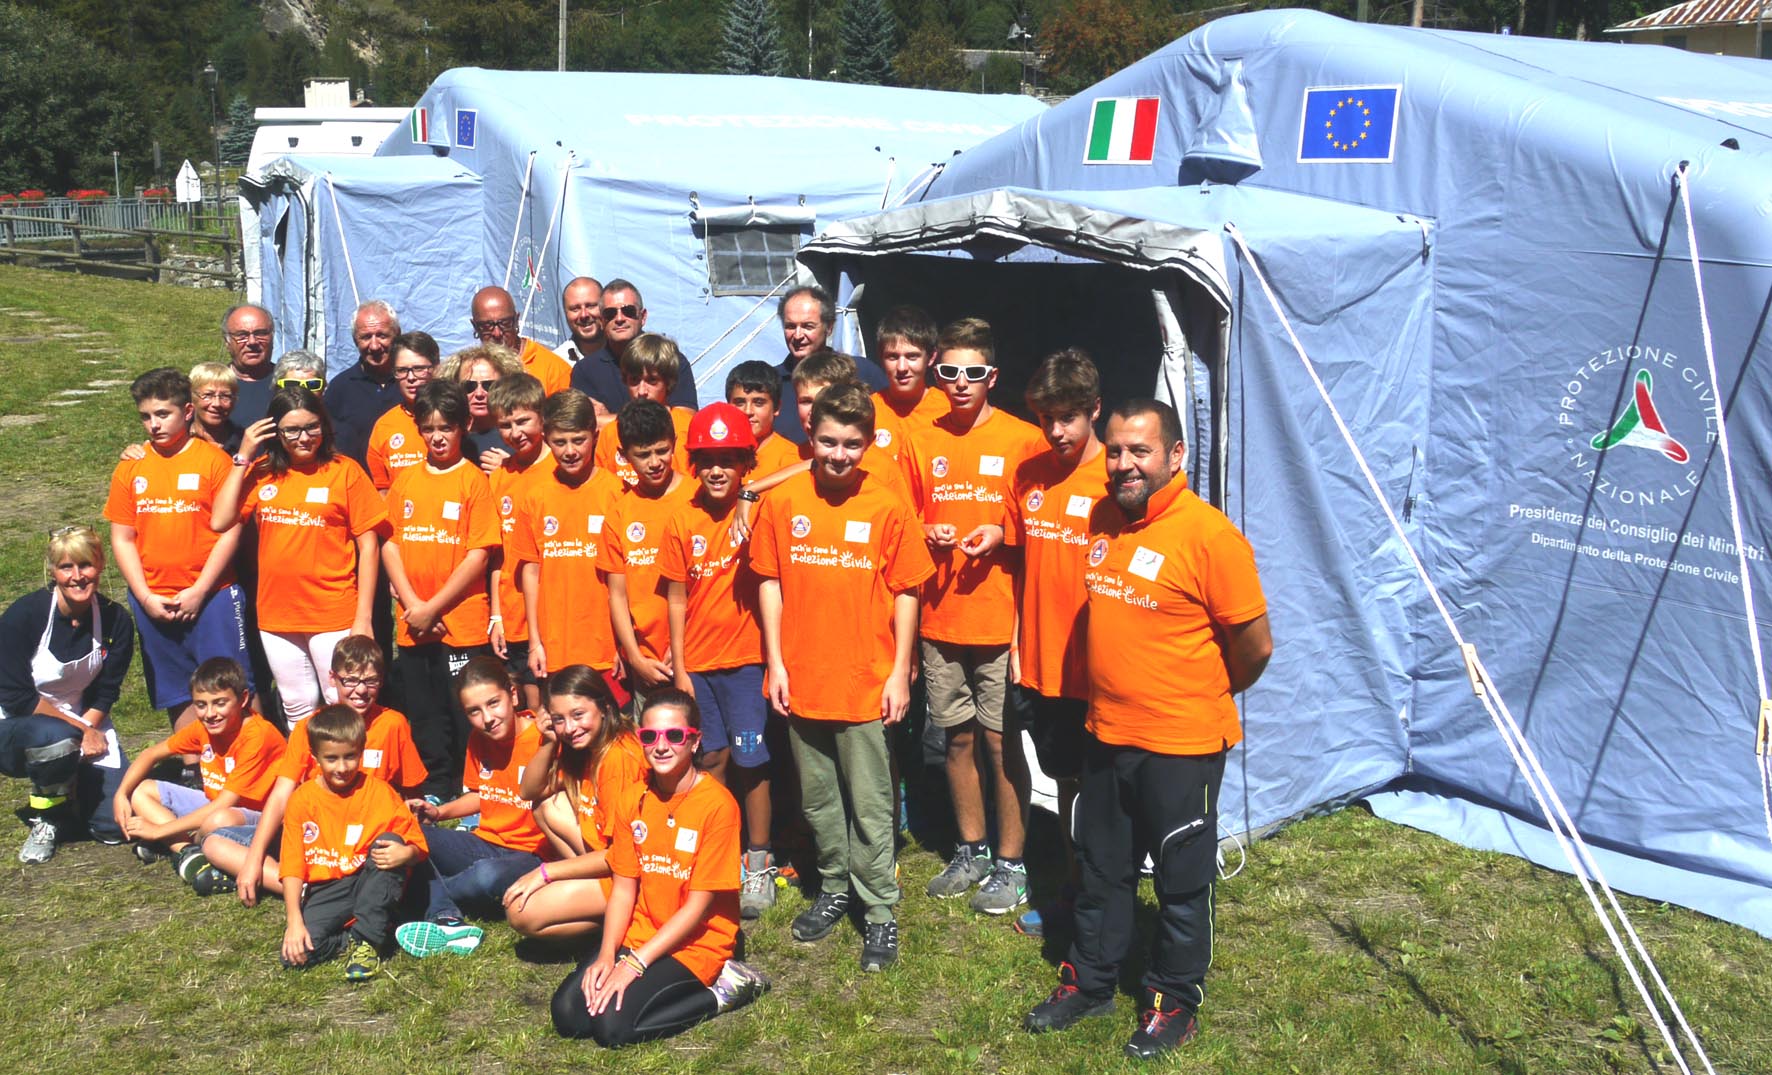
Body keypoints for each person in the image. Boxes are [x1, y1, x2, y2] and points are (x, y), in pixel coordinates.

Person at [1023, 399, 1272, 1059]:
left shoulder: (1210, 535)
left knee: (1181, 884)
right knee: (1103, 870)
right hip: (1106, 734)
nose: (1126, 463)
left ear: (1176, 456)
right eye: (1116, 450)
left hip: (1181, 746)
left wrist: (1195, 694)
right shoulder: (1104, 518)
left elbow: (1255, 647)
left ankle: (1172, 1001)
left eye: (1141, 450)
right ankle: (1091, 981)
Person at [751, 384, 934, 971]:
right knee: (821, 800)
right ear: (811, 437)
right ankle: (834, 887)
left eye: (851, 444)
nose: (838, 454)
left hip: (866, 681)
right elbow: (769, 582)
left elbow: (907, 590)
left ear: (867, 444)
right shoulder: (783, 502)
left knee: (873, 804)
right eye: (828, 441)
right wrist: (776, 661)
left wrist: (901, 672)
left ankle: (879, 911)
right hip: (803, 677)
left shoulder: (885, 504)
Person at [902, 318, 1046, 916]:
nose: (960, 384)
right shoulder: (919, 435)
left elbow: (1041, 528)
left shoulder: (1023, 438)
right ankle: (972, 849)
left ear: (993, 377)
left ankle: (1012, 863)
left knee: (998, 740)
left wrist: (1002, 532)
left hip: (999, 621)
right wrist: (925, 531)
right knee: (954, 738)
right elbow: (899, 516)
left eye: (974, 373)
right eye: (949, 373)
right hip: (940, 617)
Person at [551, 688, 766, 1045]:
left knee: (613, 1029)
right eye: (650, 736)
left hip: (696, 941)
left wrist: (634, 965)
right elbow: (623, 888)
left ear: (694, 742)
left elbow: (698, 908)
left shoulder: (718, 806)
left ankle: (723, 992)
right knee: (569, 1014)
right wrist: (607, 955)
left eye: (675, 735)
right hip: (642, 933)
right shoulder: (632, 797)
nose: (661, 746)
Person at [200, 635, 426, 904]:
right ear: (332, 678)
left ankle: (305, 886)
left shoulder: (392, 723)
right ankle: (307, 890)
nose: (360, 691)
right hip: (313, 834)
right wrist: (253, 860)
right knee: (215, 841)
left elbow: (412, 792)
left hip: (363, 836)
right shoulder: (310, 727)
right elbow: (281, 795)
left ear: (381, 679)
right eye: (350, 680)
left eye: (370, 681)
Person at [659, 402, 776, 919]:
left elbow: (806, 465)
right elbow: (677, 598)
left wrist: (751, 496)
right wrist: (681, 668)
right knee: (711, 761)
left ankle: (760, 860)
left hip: (748, 661)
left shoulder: (759, 507)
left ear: (746, 461)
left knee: (753, 761)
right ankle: (718, 856)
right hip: (700, 664)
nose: (717, 469)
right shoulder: (682, 517)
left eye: (730, 458)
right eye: (707, 458)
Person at [1006, 349, 1107, 938]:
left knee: (1106, 792)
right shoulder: (1029, 475)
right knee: (1068, 783)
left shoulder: (1117, 480)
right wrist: (1021, 641)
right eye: (1046, 418)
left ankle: (1104, 898)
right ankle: (1073, 892)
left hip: (1101, 670)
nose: (1056, 430)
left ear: (1095, 410)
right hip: (1044, 665)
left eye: (1068, 416)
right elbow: (1022, 563)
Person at [212, 386, 388, 725]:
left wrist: (363, 617)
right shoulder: (262, 471)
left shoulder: (345, 471)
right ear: (276, 432)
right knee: (296, 707)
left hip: (333, 612)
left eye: (312, 427)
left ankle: (356, 777)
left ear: (324, 426)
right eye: (291, 430)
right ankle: (308, 776)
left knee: (345, 705)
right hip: (277, 614)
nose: (303, 438)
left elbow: (368, 545)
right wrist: (243, 455)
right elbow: (220, 520)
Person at [106, 367, 250, 737]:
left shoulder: (214, 461)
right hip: (154, 599)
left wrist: (201, 589)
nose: (153, 425)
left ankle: (251, 761)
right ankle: (193, 766)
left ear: (187, 412)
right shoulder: (131, 467)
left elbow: (230, 530)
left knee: (232, 684)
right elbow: (122, 538)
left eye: (162, 414)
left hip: (213, 596)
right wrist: (144, 596)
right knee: (177, 689)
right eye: (145, 417)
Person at [382, 380, 499, 795]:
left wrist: (435, 606)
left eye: (446, 428)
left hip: (459, 622)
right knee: (425, 707)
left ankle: (472, 786)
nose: (437, 437)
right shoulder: (406, 481)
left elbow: (478, 555)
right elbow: (390, 545)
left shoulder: (472, 481)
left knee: (462, 704)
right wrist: (414, 604)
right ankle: (435, 781)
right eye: (429, 428)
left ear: (463, 427)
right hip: (413, 621)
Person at [397, 657, 548, 957]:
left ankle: (426, 900)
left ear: (513, 695)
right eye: (474, 712)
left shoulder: (543, 739)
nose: (487, 718)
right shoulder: (478, 740)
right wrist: (439, 812)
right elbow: (483, 794)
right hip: (485, 841)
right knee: (408, 830)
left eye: (494, 703)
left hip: (532, 854)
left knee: (485, 875)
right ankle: (448, 919)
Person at [0, 526, 134, 862]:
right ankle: (48, 816)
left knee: (114, 825)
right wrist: (80, 733)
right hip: (20, 723)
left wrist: (90, 729)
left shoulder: (116, 621)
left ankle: (75, 793)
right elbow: (18, 698)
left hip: (84, 718)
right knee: (55, 738)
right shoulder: (24, 616)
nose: (77, 577)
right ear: (54, 572)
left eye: (85, 565)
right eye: (66, 567)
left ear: (100, 565)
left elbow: (106, 691)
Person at [280, 702, 429, 981]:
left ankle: (367, 943)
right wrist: (294, 921)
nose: (342, 767)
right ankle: (362, 934)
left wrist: (405, 854)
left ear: (361, 752)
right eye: (332, 758)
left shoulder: (379, 793)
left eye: (350, 757)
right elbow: (291, 865)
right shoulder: (301, 800)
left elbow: (417, 844)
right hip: (327, 887)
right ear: (315, 757)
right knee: (296, 954)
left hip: (368, 877)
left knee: (388, 842)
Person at [111, 657, 284, 894]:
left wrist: (158, 831)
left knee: (218, 819)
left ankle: (178, 845)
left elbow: (226, 804)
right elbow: (150, 754)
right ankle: (190, 852)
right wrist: (121, 793)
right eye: (201, 705)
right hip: (215, 804)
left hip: (260, 817)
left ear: (243, 699)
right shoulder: (204, 728)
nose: (210, 713)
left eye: (220, 703)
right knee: (141, 791)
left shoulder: (257, 736)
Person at [504, 665, 647, 940]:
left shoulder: (618, 758)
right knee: (546, 806)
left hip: (631, 873)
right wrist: (547, 743)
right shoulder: (585, 748)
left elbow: (620, 854)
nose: (569, 728)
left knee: (520, 912)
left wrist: (547, 872)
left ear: (605, 707)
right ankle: (611, 911)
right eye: (559, 719)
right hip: (607, 859)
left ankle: (625, 917)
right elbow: (529, 791)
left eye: (578, 714)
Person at [513, 389, 624, 686]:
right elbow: (531, 572)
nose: (570, 451)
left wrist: (623, 643)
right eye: (560, 442)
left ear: (594, 436)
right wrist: (535, 642)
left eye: (578, 440)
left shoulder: (616, 493)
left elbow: (626, 578)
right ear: (547, 439)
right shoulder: (535, 497)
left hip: (606, 648)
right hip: (554, 647)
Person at [604, 399, 696, 706]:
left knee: (707, 750)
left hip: (697, 653)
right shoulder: (620, 513)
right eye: (643, 455)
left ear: (674, 444)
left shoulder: (697, 497)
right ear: (624, 456)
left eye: (661, 450)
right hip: (648, 662)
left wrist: (682, 647)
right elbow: (617, 594)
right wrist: (634, 657)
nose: (655, 462)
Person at [485, 374, 553, 714]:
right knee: (528, 706)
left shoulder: (560, 469)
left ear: (542, 417)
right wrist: (496, 615)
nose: (516, 432)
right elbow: (497, 555)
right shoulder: (499, 478)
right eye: (506, 425)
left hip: (555, 615)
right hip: (514, 614)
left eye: (523, 420)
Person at [771, 285, 887, 444]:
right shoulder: (771, 383)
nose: (797, 335)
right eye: (791, 326)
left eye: (807, 326)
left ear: (830, 327)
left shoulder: (862, 372)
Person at [569, 278, 699, 416]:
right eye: (610, 314)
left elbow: (685, 418)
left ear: (642, 317)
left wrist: (611, 419)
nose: (619, 319)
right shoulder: (585, 371)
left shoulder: (672, 360)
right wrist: (661, 414)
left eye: (628, 311)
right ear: (602, 321)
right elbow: (584, 425)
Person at [592, 334, 694, 488]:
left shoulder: (688, 429)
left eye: (652, 381)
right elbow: (602, 488)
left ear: (668, 382)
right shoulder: (611, 433)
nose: (642, 391)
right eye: (634, 380)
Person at [323, 299, 402, 468]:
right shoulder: (339, 389)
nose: (374, 346)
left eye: (382, 335)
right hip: (358, 487)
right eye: (366, 337)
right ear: (355, 340)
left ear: (397, 335)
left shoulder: (411, 383)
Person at [869, 305, 947, 462]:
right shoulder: (867, 410)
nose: (902, 367)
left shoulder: (948, 410)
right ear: (880, 357)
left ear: (931, 358)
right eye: (893, 357)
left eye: (912, 357)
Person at [365, 331, 440, 492]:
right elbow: (381, 489)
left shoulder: (454, 417)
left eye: (419, 369)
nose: (411, 378)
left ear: (436, 369)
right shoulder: (385, 426)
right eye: (402, 370)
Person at [469, 285, 573, 396]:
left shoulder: (554, 370)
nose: (497, 333)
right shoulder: (467, 372)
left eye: (505, 323)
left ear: (516, 320)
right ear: (475, 326)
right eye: (487, 326)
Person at [441, 343, 527, 467]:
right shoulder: (444, 435)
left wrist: (511, 468)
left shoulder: (520, 434)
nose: (479, 393)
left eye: (489, 385)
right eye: (469, 386)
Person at [726, 360, 800, 477]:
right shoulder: (717, 455)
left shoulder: (790, 459)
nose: (748, 411)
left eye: (758, 403)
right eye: (739, 403)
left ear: (776, 408)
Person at [222, 303, 277, 425]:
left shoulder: (288, 382)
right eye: (242, 335)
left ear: (272, 337)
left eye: (261, 333)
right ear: (227, 342)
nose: (252, 342)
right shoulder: (213, 387)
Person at [189, 362, 243, 452]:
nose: (217, 404)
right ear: (192, 397)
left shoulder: (242, 441)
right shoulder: (177, 438)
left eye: (225, 396)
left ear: (234, 401)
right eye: (208, 395)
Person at [552, 276, 605, 365]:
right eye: (575, 309)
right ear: (565, 313)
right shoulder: (556, 362)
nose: (584, 315)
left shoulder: (626, 354)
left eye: (591, 306)